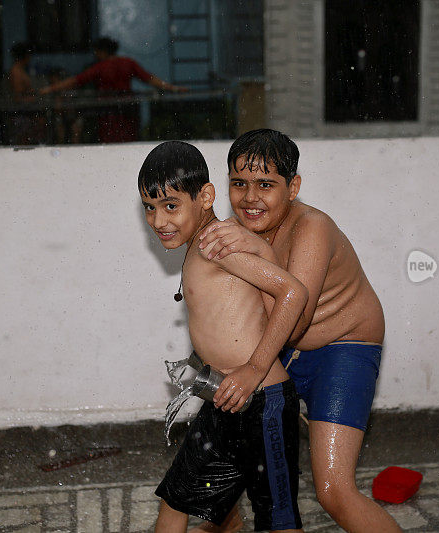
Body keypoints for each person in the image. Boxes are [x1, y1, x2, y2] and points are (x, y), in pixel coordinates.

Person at [196, 129, 402, 532]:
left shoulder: (313, 228)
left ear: (293, 187)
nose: (250, 198)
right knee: (213, 475)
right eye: (239, 184)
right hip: (279, 354)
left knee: (333, 490)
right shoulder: (241, 227)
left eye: (266, 185)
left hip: (343, 349)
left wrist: (257, 250)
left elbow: (296, 319)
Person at [138, 141, 308, 532]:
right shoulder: (203, 244)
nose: (159, 220)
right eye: (150, 207)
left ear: (205, 197)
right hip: (223, 400)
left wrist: (254, 368)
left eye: (170, 206)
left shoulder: (217, 245)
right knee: (178, 498)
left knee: (277, 519)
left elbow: (292, 292)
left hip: (262, 402)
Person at [41, 37, 187, 143]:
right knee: (128, 141)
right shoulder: (127, 63)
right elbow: (150, 79)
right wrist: (172, 88)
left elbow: (75, 81)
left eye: (97, 52)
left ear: (103, 51)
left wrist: (49, 89)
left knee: (110, 142)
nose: (96, 55)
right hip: (127, 109)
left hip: (109, 112)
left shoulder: (101, 67)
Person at [7, 42, 46, 144]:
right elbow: (18, 96)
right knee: (23, 141)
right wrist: (34, 98)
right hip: (23, 113)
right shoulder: (16, 72)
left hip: (27, 112)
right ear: (25, 56)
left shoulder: (20, 70)